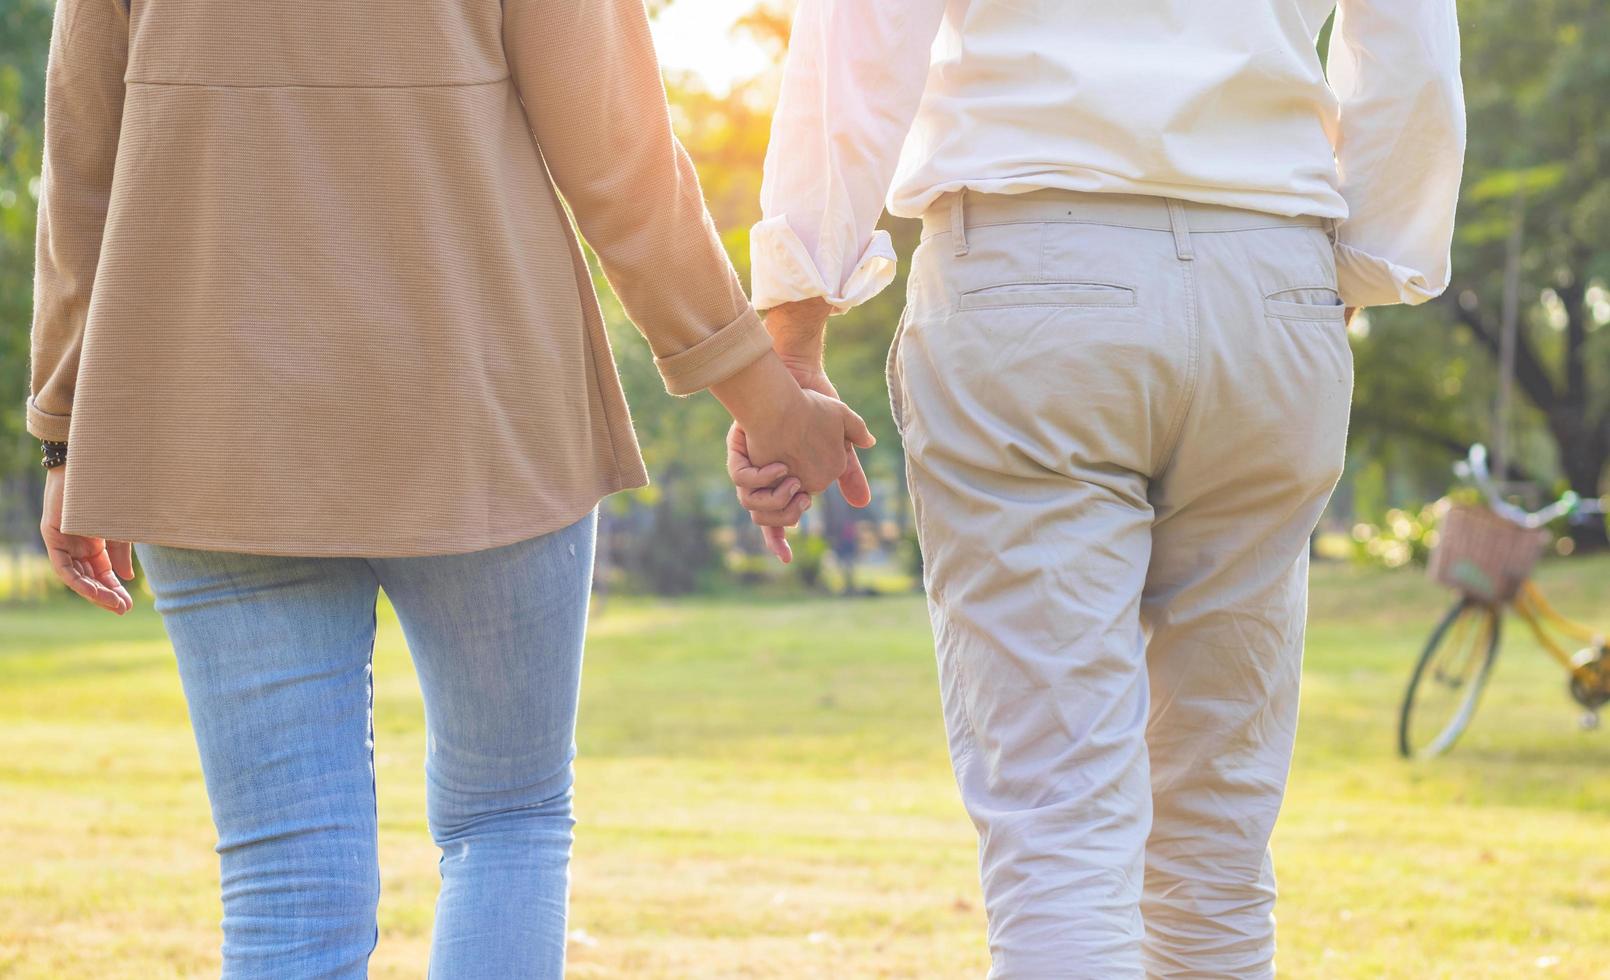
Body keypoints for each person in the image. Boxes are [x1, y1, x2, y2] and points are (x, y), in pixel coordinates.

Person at [27, 0, 869, 976]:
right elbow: (620, 157)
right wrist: (765, 396)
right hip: (484, 415)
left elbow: (81, 155)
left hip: (218, 422)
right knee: (504, 821)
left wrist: (66, 430)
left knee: (285, 892)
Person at [737, 1, 1465, 976]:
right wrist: (1359, 263)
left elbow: (857, 42)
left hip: (1030, 273)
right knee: (1217, 838)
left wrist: (793, 327)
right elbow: (1410, 47)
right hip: (1272, 277)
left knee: (1058, 825)